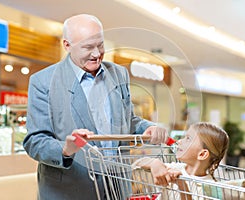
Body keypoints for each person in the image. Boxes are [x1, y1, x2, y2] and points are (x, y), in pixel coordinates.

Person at [23, 14, 168, 200]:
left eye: (100, 45)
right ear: (67, 45)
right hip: (68, 191)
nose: (96, 53)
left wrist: (147, 128)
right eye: (88, 47)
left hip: (115, 190)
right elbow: (35, 141)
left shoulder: (118, 74)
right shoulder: (43, 81)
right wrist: (65, 149)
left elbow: (127, 120)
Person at [132, 122, 229, 199]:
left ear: (202, 154)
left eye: (188, 139)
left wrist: (182, 185)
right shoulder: (176, 167)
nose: (179, 141)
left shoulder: (209, 188)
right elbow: (136, 163)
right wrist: (153, 163)